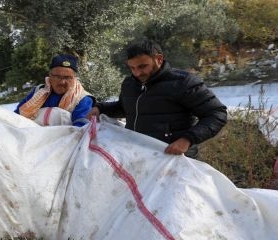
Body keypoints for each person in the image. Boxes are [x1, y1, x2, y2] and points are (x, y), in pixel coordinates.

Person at [87, 38, 227, 158]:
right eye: (132, 68)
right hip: (138, 157)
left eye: (142, 66)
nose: (137, 73)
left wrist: (187, 140)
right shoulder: (130, 83)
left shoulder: (184, 82)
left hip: (175, 159)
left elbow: (216, 114)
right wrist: (100, 108)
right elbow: (125, 108)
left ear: (159, 59)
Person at [15, 54, 95, 127]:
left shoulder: (82, 98)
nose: (62, 82)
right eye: (57, 77)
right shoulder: (37, 91)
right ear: (50, 76)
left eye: (67, 77)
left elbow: (81, 128)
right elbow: (16, 116)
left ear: (74, 78)